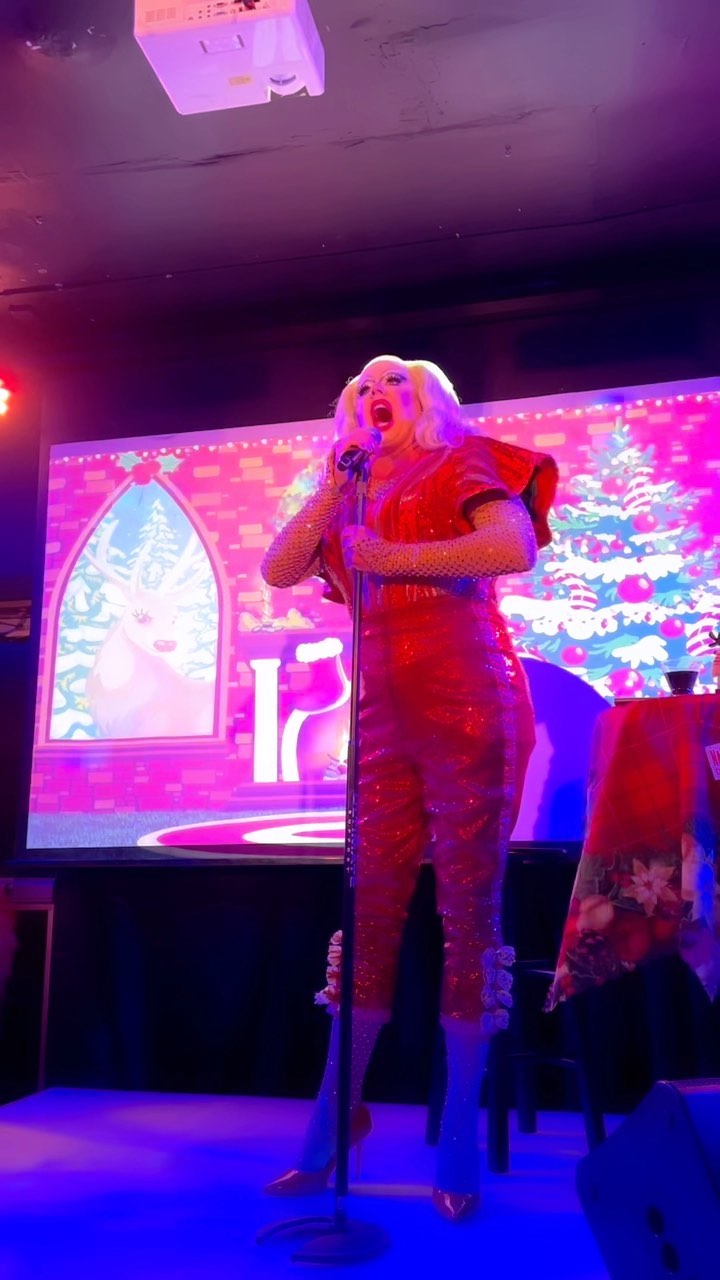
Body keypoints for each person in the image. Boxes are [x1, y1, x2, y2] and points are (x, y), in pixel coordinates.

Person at [260, 355, 557, 1220]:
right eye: (362, 387)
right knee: (369, 911)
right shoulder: (349, 488)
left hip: (470, 699)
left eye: (394, 381)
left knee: (469, 912)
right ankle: (334, 1119)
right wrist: (333, 483)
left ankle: (459, 1139)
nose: (375, 393)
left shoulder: (462, 459)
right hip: (382, 718)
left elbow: (511, 547)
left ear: (426, 398)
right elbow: (280, 569)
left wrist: (389, 556)